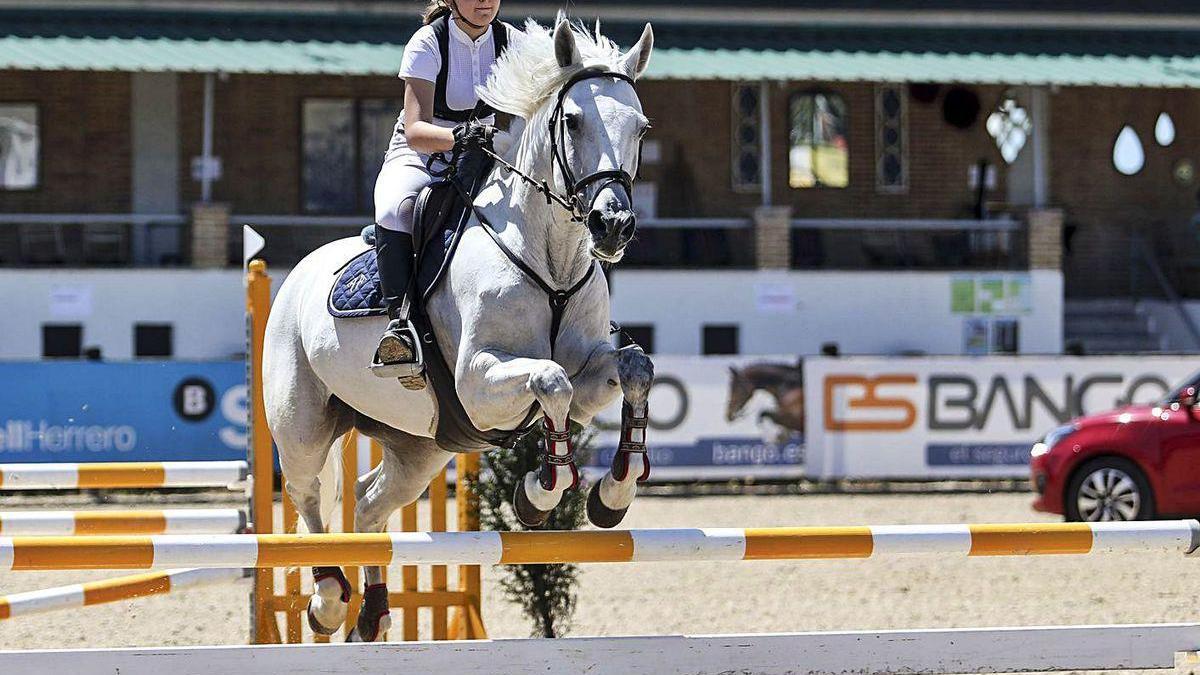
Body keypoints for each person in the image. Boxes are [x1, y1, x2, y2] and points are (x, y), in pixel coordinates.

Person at [371, 0, 515, 383]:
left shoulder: (512, 41)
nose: (485, 1)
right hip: (421, 153)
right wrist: (459, 136)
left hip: (481, 152)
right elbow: (417, 131)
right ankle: (400, 327)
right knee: (393, 209)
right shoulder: (428, 43)